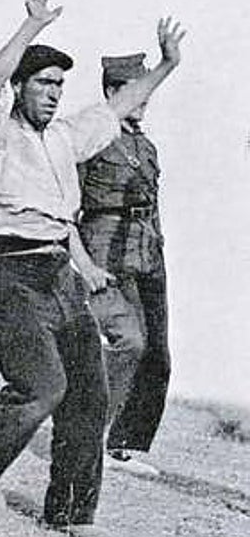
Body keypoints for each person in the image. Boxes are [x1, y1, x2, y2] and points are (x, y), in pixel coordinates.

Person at [0, 0, 184, 537]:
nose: (54, 93)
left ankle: (72, 512)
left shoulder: (64, 136)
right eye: (44, 83)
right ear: (21, 88)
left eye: (60, 84)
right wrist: (32, 25)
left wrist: (166, 65)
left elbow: (118, 105)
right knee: (41, 385)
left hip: (59, 271)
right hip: (12, 271)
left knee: (89, 393)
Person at [74, 52, 181, 477]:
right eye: (137, 91)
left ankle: (125, 445)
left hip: (149, 253)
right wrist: (81, 262)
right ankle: (87, 433)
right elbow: (70, 205)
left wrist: (158, 245)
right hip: (106, 251)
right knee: (127, 344)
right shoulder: (92, 138)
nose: (145, 99)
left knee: (158, 353)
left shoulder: (146, 146)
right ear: (112, 92)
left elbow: (152, 204)